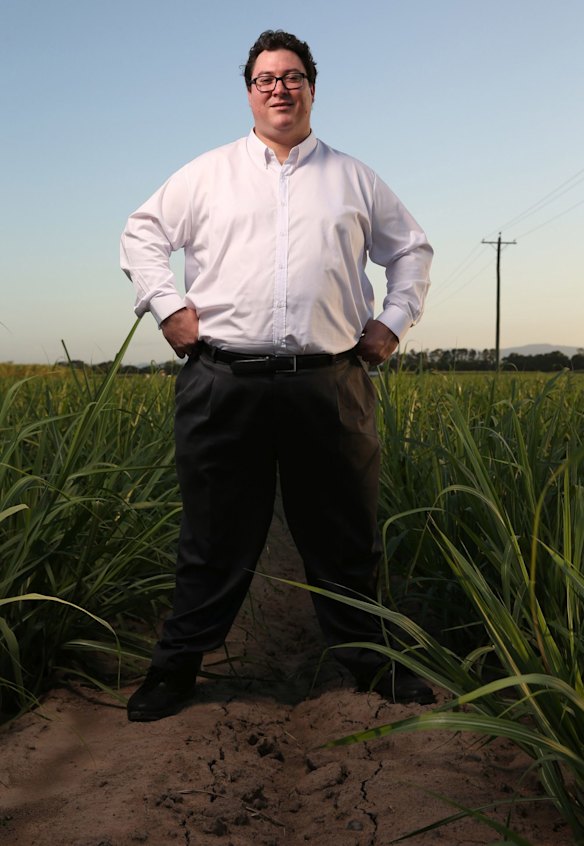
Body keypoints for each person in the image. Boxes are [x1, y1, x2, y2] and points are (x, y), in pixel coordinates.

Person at [120, 29, 434, 722]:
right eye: (266, 78)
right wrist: (167, 305)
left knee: (347, 533)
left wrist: (393, 320)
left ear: (312, 89)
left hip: (330, 381)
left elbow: (411, 250)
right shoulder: (207, 174)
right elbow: (141, 233)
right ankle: (175, 669)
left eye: (292, 76)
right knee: (212, 535)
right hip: (222, 381)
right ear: (249, 93)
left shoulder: (354, 179)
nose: (279, 88)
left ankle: (375, 664)